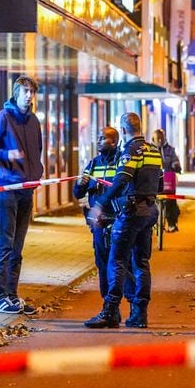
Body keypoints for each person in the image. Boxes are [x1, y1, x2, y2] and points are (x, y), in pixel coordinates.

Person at [84, 112, 163, 329]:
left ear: (124, 129)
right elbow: (161, 185)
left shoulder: (130, 151)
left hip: (131, 212)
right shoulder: (154, 151)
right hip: (149, 211)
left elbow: (121, 180)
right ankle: (139, 313)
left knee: (116, 260)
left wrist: (100, 204)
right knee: (141, 262)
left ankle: (110, 310)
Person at [0, 75, 43, 315]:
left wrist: (37, 172)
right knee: (6, 243)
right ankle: (0, 297)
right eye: (24, 91)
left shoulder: (34, 121)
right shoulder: (3, 117)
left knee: (18, 246)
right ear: (16, 93)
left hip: (27, 188)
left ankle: (12, 295)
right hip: (7, 188)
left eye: (31, 92)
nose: (28, 95)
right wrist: (6, 155)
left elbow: (37, 151)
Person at [73, 127, 121, 304]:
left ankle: (121, 297)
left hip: (118, 218)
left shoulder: (121, 162)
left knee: (119, 260)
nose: (99, 141)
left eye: (103, 138)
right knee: (101, 259)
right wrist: (80, 184)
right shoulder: (93, 164)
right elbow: (78, 194)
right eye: (98, 138)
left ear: (113, 142)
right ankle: (106, 300)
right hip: (98, 220)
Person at [151, 128, 182, 232]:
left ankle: (172, 223)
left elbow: (175, 160)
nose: (160, 141)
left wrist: (176, 165)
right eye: (158, 139)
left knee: (171, 201)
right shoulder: (149, 150)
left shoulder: (170, 150)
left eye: (161, 138)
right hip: (153, 180)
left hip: (167, 180)